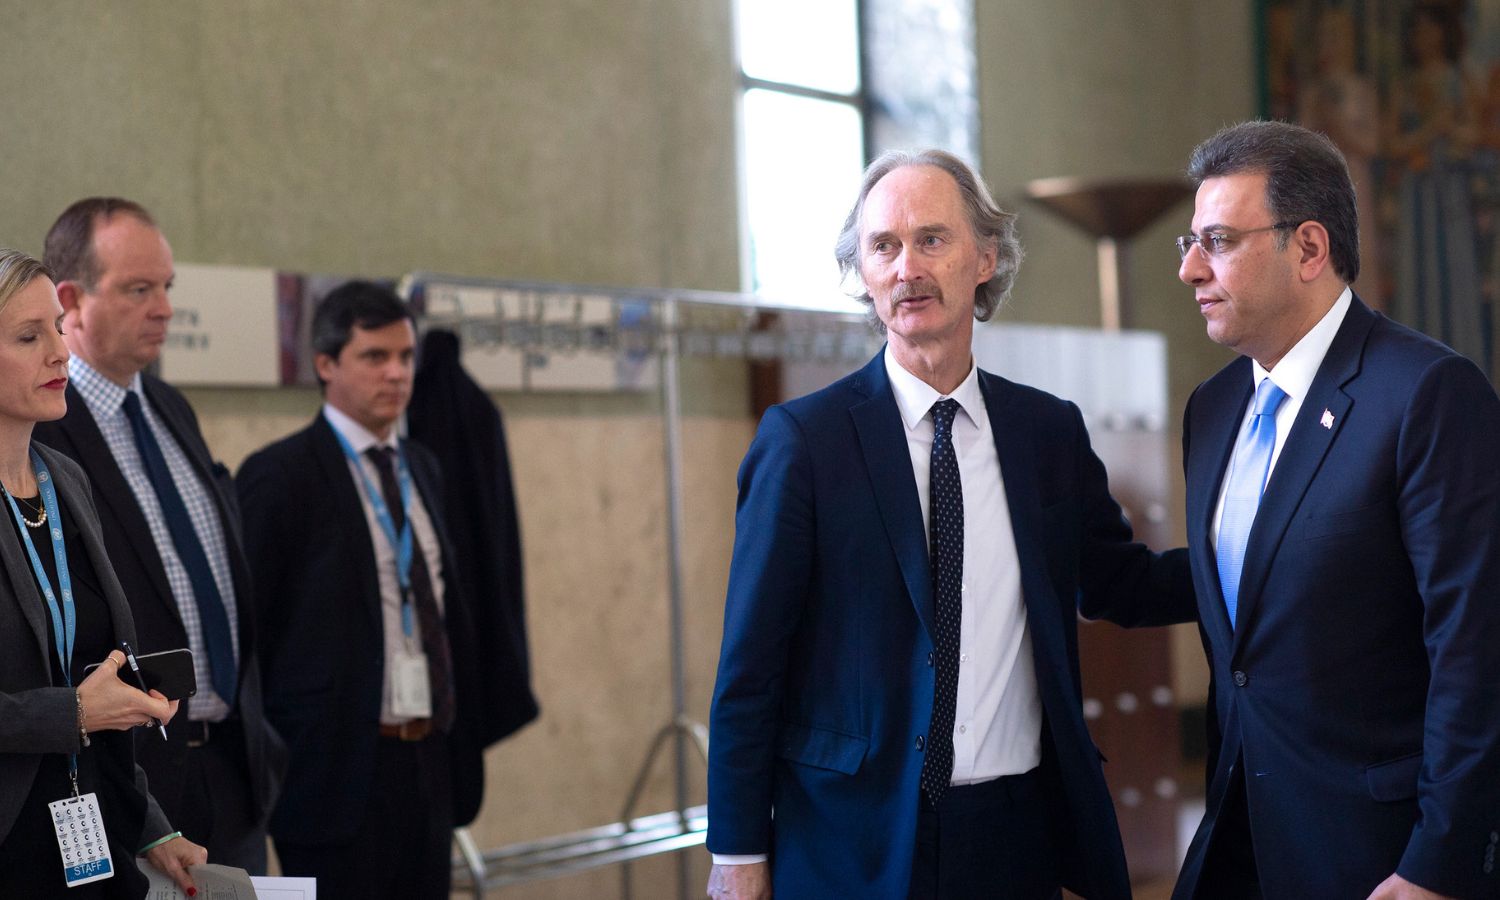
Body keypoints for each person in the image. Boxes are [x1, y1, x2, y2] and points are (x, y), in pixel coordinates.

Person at [705, 149, 1195, 899]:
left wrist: (1261, 558)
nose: (907, 268)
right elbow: (751, 666)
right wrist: (737, 853)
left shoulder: (1045, 434)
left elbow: (1120, 584)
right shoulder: (804, 443)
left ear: (985, 259)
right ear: (863, 276)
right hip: (853, 837)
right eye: (883, 246)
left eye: (931, 240)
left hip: (1017, 831)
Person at [1174, 120, 1500, 899]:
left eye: (1216, 240)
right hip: (1238, 838)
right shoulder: (1213, 408)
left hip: (1379, 856)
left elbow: (1476, 650)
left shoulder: (1425, 394)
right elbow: (1250, 582)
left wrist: (1440, 864)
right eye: (1189, 242)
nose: (1190, 268)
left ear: (1310, 249)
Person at [32, 197, 284, 872]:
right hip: (132, 783)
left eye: (167, 287)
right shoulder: (41, 433)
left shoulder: (171, 407)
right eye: (138, 289)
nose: (164, 308)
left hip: (233, 769)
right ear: (70, 300)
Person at [237, 281, 482, 898]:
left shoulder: (423, 466)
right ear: (325, 364)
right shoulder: (280, 475)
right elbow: (250, 636)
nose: (397, 374)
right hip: (331, 774)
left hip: (427, 759)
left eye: (405, 357)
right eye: (375, 357)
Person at [0, 248, 205, 896]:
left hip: (96, 839)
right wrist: (70, 715)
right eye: (29, 337)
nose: (59, 352)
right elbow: (76, 703)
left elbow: (91, 666)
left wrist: (150, 824)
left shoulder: (65, 480)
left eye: (58, 327)